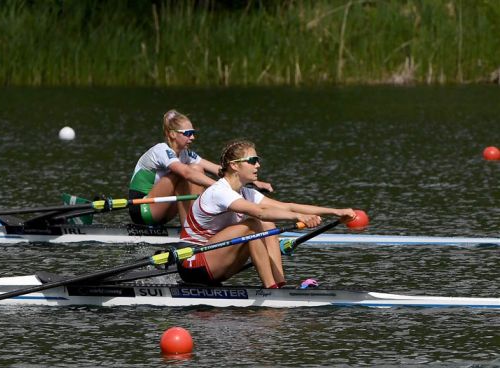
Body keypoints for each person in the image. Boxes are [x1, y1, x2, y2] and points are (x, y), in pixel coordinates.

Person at [179, 139, 356, 289]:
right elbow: (261, 212)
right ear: (234, 165)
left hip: (214, 262)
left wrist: (335, 212)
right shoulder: (220, 191)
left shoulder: (246, 193)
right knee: (254, 224)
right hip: (191, 263)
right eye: (252, 160)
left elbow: (288, 206)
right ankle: (270, 289)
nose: (258, 165)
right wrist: (299, 218)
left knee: (268, 225)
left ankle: (278, 285)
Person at [128, 109, 272, 226]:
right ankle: (192, 228)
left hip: (161, 209)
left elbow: (219, 170)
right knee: (189, 171)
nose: (192, 138)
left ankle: (192, 226)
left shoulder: (185, 154)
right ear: (172, 134)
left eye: (193, 133)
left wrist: (252, 181)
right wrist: (220, 187)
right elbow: (186, 173)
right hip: (142, 208)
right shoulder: (161, 150)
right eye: (188, 134)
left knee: (197, 168)